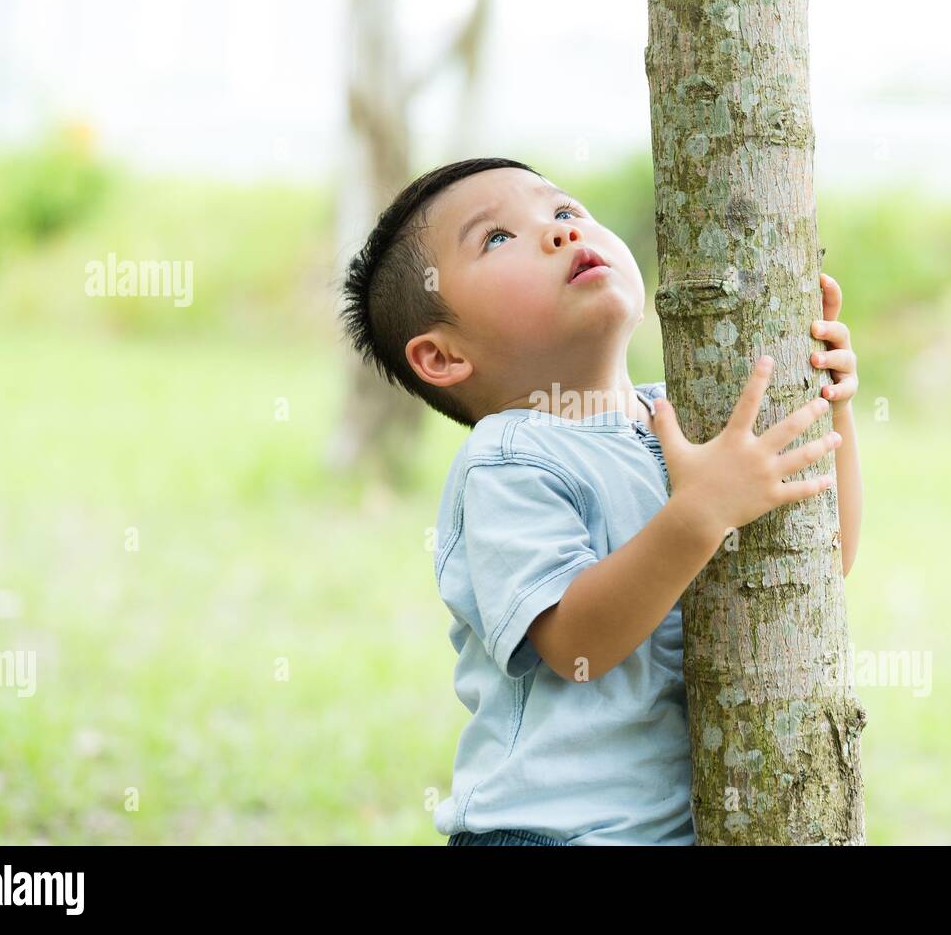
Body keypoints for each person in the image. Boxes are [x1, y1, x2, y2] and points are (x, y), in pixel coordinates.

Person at [339, 158, 864, 845]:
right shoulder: (509, 460)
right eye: (496, 239)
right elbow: (576, 643)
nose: (560, 234)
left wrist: (829, 411)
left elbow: (824, 561)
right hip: (548, 832)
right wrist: (700, 513)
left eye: (563, 212)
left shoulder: (680, 420)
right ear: (442, 357)